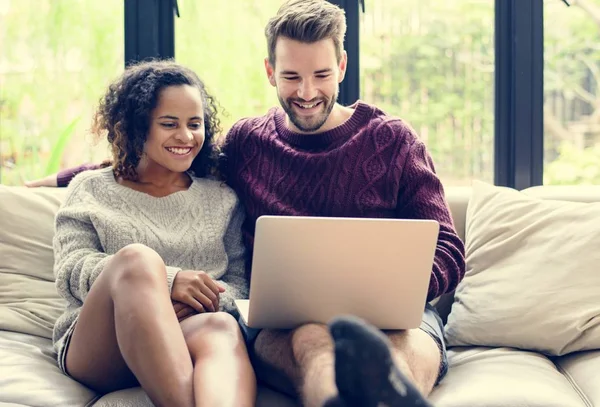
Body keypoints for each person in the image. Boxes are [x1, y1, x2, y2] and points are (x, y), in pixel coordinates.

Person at [28, 1, 465, 406]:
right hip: (294, 320)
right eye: (292, 76)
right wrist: (65, 178)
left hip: (394, 317)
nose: (307, 91)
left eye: (322, 75)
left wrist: (390, 293)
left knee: (397, 352)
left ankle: (388, 392)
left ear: (342, 67)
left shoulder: (394, 142)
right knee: (313, 346)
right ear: (270, 71)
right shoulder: (248, 143)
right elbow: (166, 155)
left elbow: (446, 246)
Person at [50, 60, 256, 407]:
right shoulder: (90, 189)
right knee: (138, 259)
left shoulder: (221, 199)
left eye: (195, 124)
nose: (186, 136)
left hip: (187, 330)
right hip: (102, 346)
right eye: (169, 124)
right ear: (137, 127)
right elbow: (71, 270)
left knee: (222, 327)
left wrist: (194, 303)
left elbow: (240, 287)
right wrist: (167, 282)